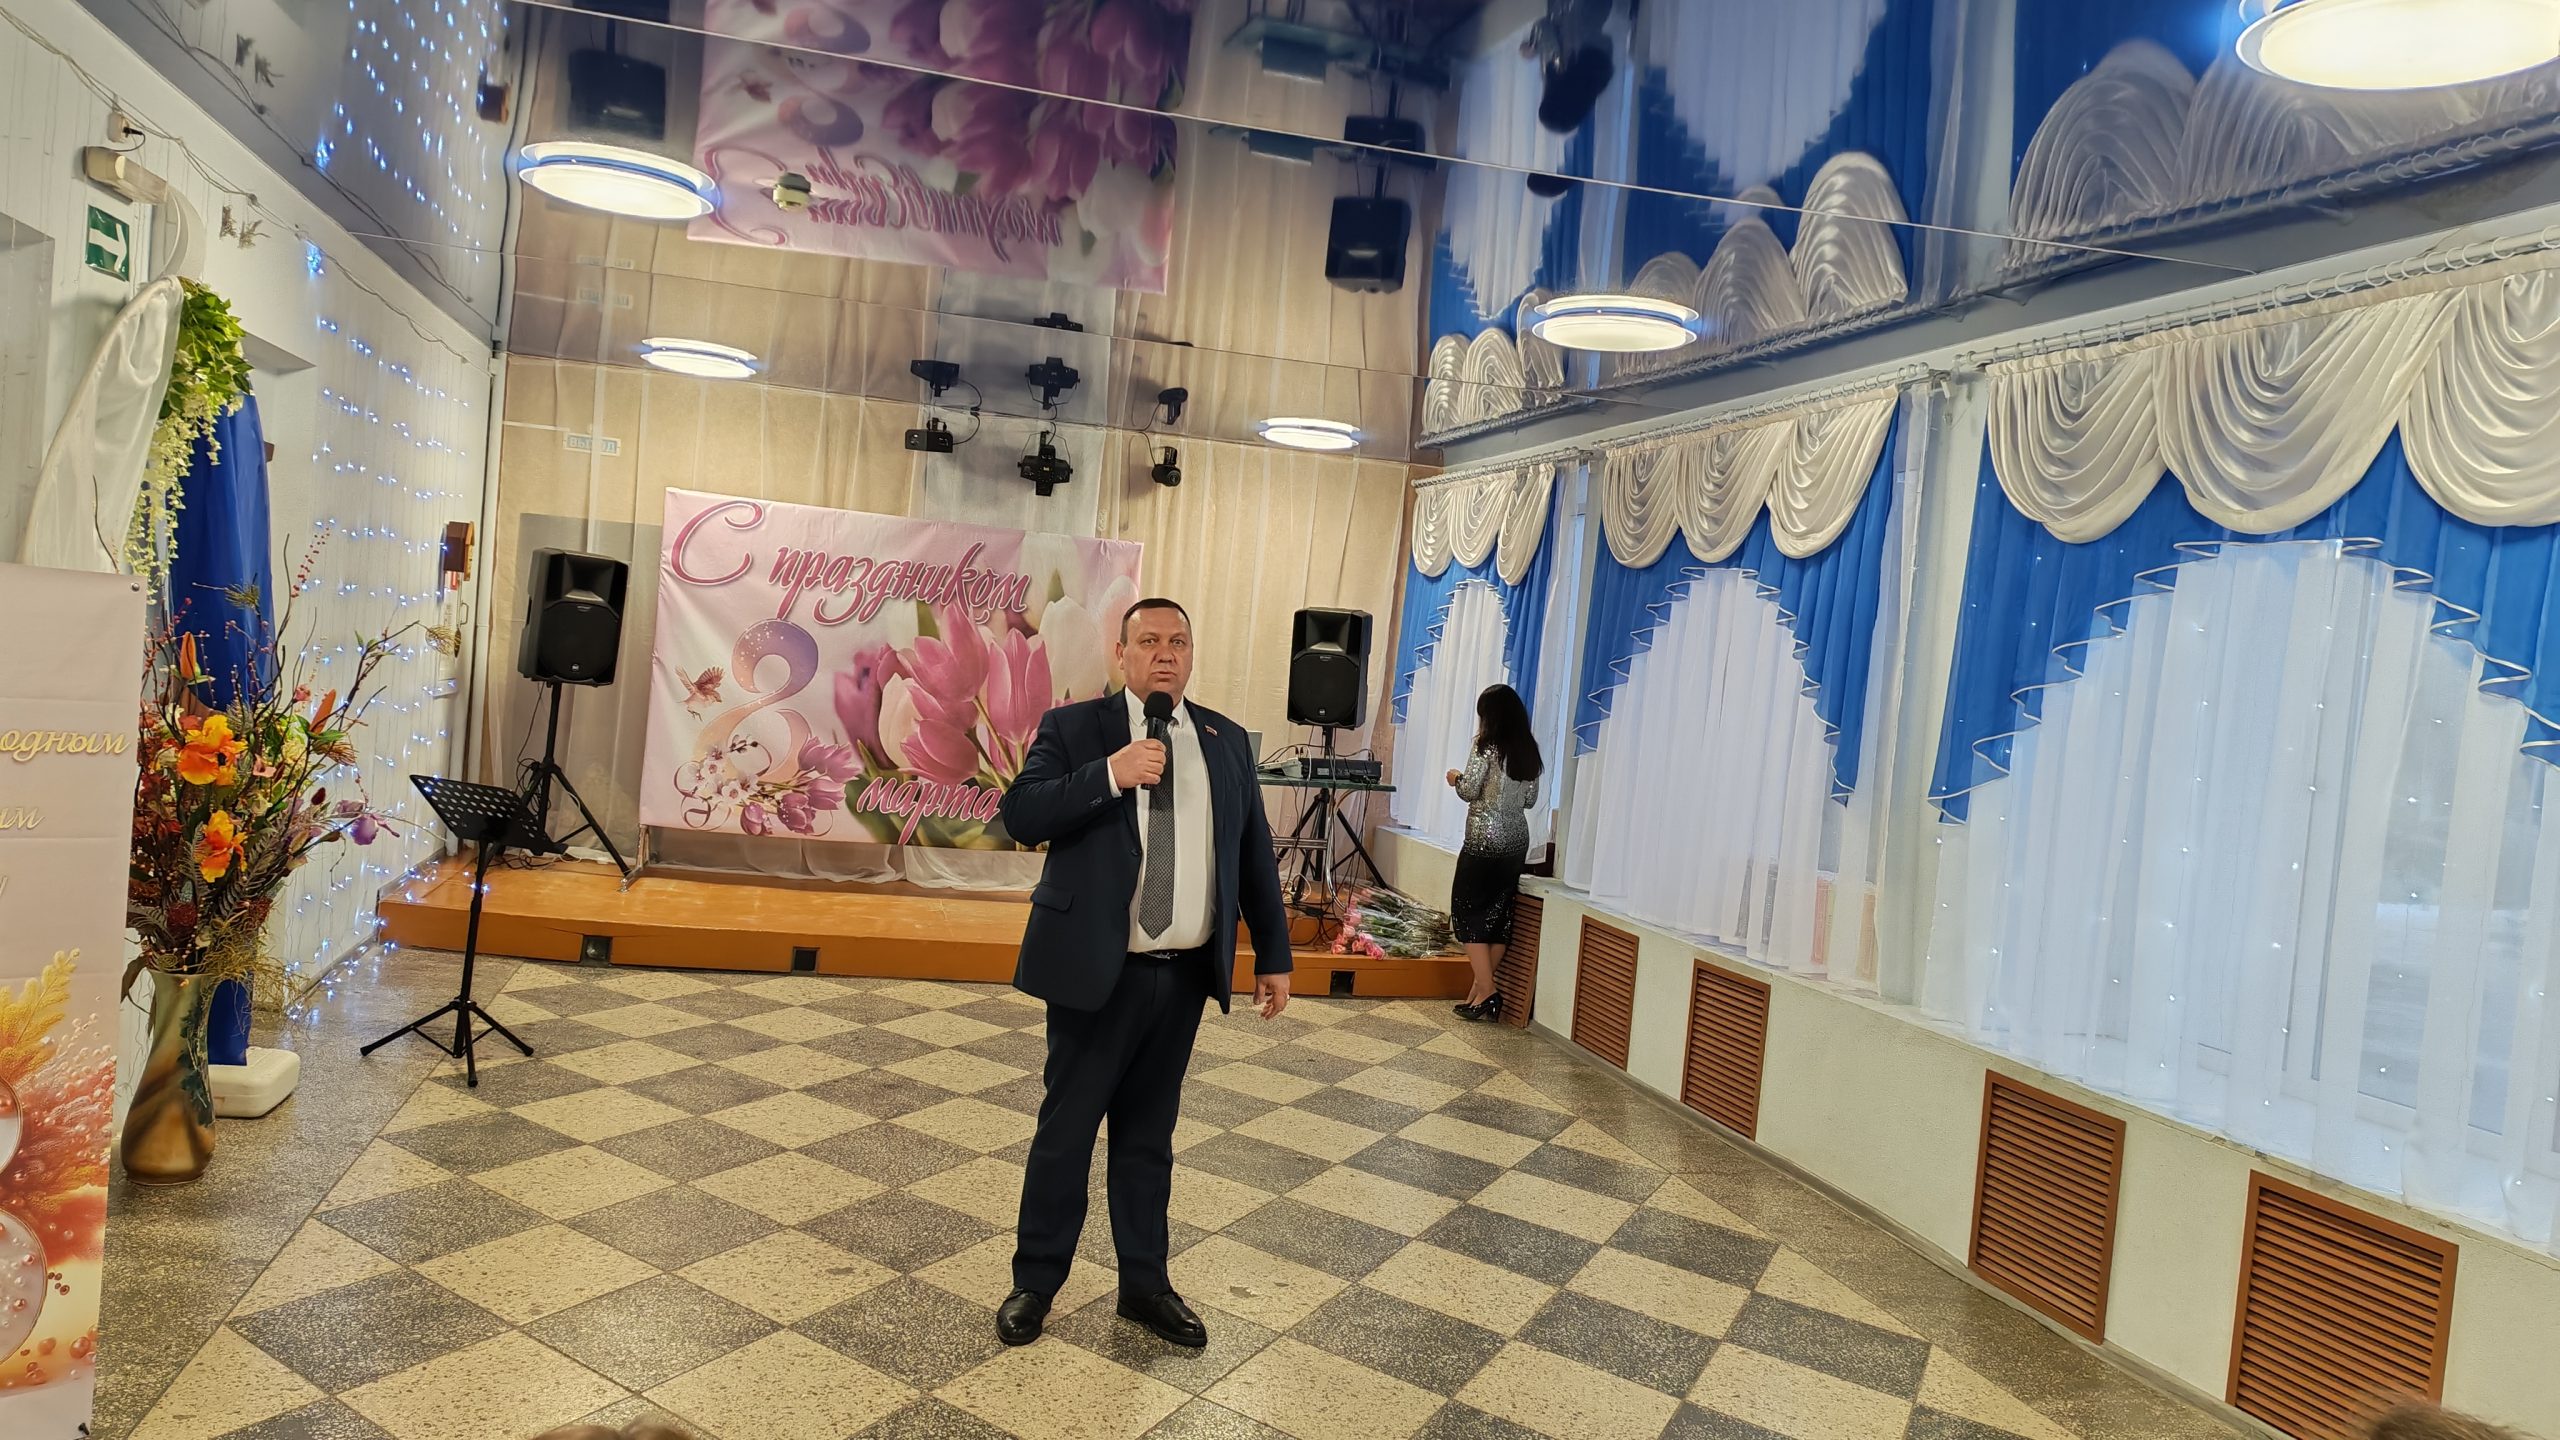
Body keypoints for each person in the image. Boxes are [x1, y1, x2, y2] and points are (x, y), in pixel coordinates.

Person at [993, 597, 1294, 1351]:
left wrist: (1274, 955)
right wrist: (1110, 774)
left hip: (1183, 974)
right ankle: (1035, 1283)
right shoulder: (1075, 728)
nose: (1165, 653)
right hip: (1097, 973)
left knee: (1149, 1139)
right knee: (1066, 1134)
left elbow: (1252, 851)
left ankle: (1145, 1286)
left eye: (1178, 641)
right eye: (1149, 640)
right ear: (1120, 654)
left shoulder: (1226, 741)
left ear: (1191, 655)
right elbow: (1022, 815)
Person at [1445, 682, 1541, 1022]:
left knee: (1466, 911)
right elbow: (1529, 800)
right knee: (1498, 916)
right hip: (1516, 841)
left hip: (1483, 839)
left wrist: (1455, 778)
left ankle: (1487, 990)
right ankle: (1479, 993)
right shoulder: (1529, 749)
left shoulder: (1485, 746)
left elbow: (1470, 790)